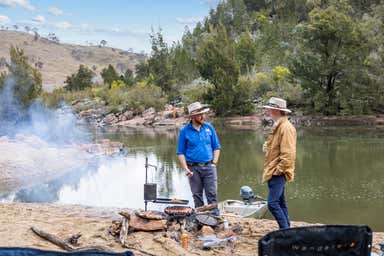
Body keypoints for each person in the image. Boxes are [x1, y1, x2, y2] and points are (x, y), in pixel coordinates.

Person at [176, 102, 221, 212]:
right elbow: (180, 152)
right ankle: (200, 220)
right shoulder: (184, 131)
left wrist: (214, 163)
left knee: (212, 194)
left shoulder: (209, 127)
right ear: (192, 116)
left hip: (209, 167)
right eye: (199, 114)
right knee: (197, 196)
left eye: (203, 114)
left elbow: (217, 147)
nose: (203, 116)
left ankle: (215, 218)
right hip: (193, 169)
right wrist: (186, 169)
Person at [262, 97, 297, 229]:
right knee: (281, 202)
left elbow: (289, 154)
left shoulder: (286, 127)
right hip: (274, 170)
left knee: (272, 203)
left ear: (276, 110)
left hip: (278, 172)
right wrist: (267, 147)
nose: (268, 111)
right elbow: (276, 147)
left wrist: (278, 170)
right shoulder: (279, 125)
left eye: (270, 109)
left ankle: (285, 231)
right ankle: (287, 229)